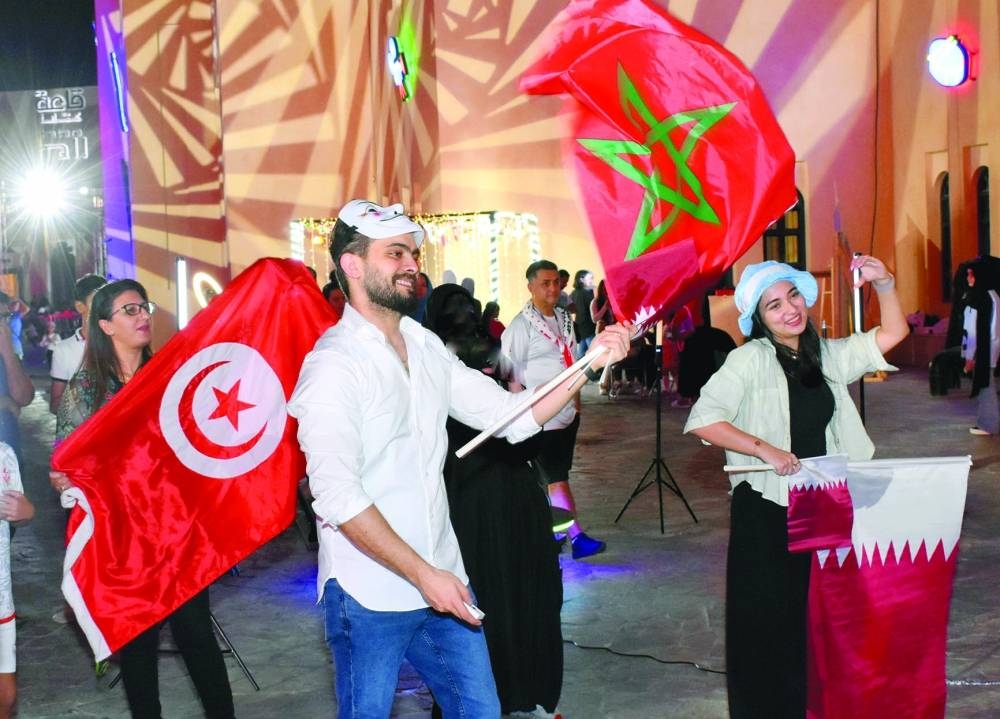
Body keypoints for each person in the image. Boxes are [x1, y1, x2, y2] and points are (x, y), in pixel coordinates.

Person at [287, 199, 629, 718]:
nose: (411, 265)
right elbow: (336, 494)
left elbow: (511, 417)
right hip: (370, 594)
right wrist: (423, 574)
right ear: (352, 265)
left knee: (481, 711)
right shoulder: (332, 367)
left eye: (413, 254)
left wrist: (588, 363)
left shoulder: (423, 345)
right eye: (395, 252)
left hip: (444, 580)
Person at [682, 256, 907, 719]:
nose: (789, 310)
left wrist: (884, 283)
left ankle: (809, 704)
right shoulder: (748, 359)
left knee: (814, 616)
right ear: (758, 320)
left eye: (792, 297)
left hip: (817, 502)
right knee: (766, 620)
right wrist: (763, 449)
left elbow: (891, 335)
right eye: (773, 305)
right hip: (765, 508)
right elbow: (704, 420)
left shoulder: (823, 355)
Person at [49, 280, 236, 719]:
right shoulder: (86, 391)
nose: (142, 316)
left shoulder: (168, 376)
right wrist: (75, 482)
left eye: (144, 307)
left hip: (178, 531)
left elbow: (195, 445)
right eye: (129, 310)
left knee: (198, 639)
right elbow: (62, 467)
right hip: (124, 542)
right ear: (105, 325)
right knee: (138, 647)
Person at [424, 283, 563, 716]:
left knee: (518, 587)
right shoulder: (436, 361)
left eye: (467, 306)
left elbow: (520, 420)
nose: (465, 313)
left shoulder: (486, 350)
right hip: (471, 493)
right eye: (456, 308)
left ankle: (517, 687)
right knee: (483, 592)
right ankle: (484, 693)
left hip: (504, 488)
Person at [501, 260, 606, 560]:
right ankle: (577, 537)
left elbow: (571, 359)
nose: (552, 288)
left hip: (566, 413)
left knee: (555, 477)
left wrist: (576, 403)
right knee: (556, 477)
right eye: (544, 283)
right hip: (540, 415)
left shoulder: (565, 319)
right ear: (530, 286)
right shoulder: (521, 326)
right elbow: (510, 373)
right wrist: (522, 414)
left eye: (555, 282)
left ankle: (555, 533)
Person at [0, 442, 34, 719]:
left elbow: (18, 514)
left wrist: (26, 513)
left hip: (1, 598)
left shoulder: (4, 455)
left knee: (6, 697)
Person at [49, 274, 106, 413]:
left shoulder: (121, 342)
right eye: (97, 302)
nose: (105, 309)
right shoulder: (63, 349)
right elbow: (55, 405)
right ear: (80, 306)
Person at [961, 260, 1000, 435]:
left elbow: (972, 330)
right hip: (993, 344)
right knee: (987, 383)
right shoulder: (994, 295)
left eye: (971, 274)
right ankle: (988, 422)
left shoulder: (979, 297)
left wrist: (969, 356)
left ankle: (988, 423)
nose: (968, 277)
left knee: (986, 384)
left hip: (984, 347)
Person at [571, 270, 596, 359]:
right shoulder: (584, 293)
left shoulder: (574, 293)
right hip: (588, 327)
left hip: (580, 327)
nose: (592, 281)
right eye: (590, 278)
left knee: (581, 354)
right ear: (581, 279)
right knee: (592, 353)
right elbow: (583, 313)